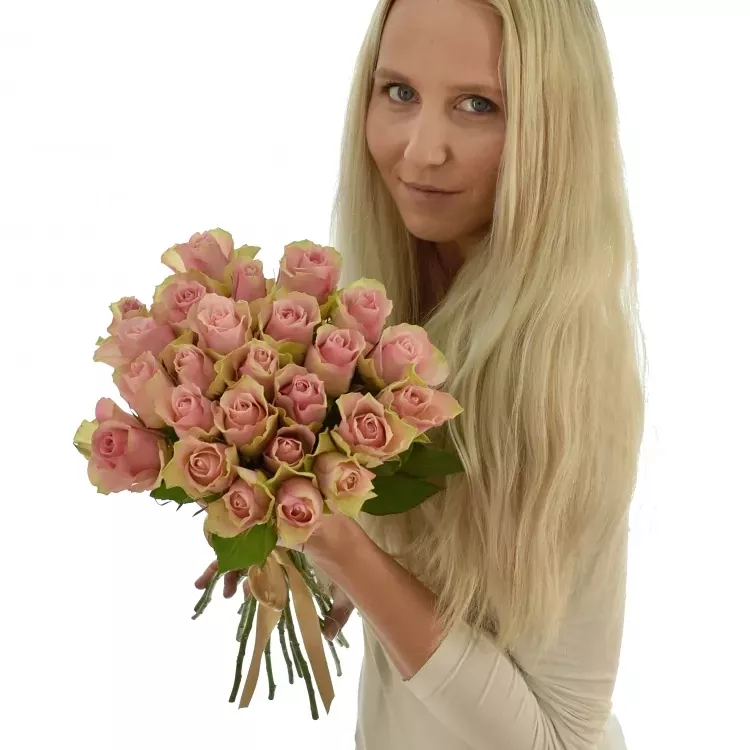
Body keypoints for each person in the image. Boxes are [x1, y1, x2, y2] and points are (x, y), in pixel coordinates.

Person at [196, 0, 646, 748]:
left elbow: (562, 738)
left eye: (478, 105)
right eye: (399, 91)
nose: (420, 151)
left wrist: (344, 549)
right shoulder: (404, 315)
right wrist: (290, 528)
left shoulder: (563, 378)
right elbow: (458, 599)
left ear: (552, 127)